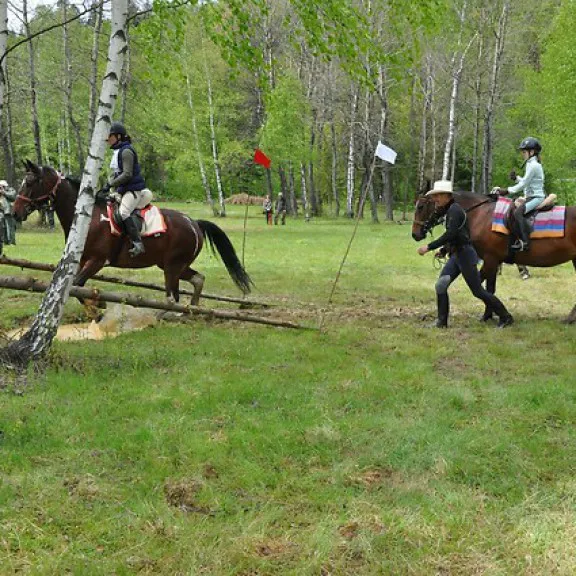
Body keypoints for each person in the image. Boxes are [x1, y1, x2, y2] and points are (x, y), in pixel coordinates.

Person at [417, 180, 514, 328]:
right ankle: (441, 322)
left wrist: (429, 247)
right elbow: (458, 235)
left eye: (437, 196)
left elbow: (451, 234)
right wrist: (444, 250)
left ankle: (505, 317)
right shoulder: (449, 211)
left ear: (446, 196)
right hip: (456, 255)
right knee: (441, 285)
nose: (435, 199)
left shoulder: (455, 211)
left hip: (465, 256)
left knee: (478, 291)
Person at [102, 122, 153, 257]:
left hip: (133, 190)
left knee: (124, 212)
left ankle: (138, 243)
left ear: (118, 136)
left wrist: (110, 184)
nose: (107, 140)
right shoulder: (118, 151)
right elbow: (117, 174)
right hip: (124, 190)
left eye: (110, 136)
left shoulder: (126, 151)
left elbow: (127, 174)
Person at [495, 136, 545, 252]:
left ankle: (525, 242)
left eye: (524, 152)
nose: (522, 154)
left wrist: (507, 190)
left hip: (536, 198)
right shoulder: (530, 164)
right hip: (530, 196)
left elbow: (523, 185)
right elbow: (526, 182)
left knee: (518, 213)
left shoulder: (533, 166)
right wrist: (516, 178)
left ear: (531, 152)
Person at [0, 179, 17, 246]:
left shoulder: (11, 190)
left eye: (1, 186)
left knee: (10, 227)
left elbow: (13, 197)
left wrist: (3, 192)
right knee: (2, 227)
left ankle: (12, 242)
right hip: (1, 211)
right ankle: (5, 241)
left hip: (8, 211)